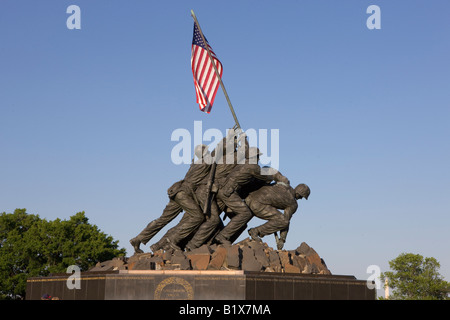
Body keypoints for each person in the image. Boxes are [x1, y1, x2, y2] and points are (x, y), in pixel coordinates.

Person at [129, 144, 211, 254]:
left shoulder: (195, 163)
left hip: (177, 191)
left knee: (163, 219)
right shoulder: (206, 162)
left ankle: (138, 239)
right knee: (198, 217)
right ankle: (172, 239)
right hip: (184, 194)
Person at [213, 147, 290, 246]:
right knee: (246, 214)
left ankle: (220, 242)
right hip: (229, 192)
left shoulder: (243, 164)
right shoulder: (253, 167)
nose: (259, 159)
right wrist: (279, 179)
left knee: (240, 223)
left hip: (224, 190)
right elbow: (267, 177)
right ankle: (222, 236)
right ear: (255, 157)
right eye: (258, 157)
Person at [246, 183, 310, 250]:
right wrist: (282, 239)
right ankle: (256, 231)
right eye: (301, 197)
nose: (300, 199)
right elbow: (286, 221)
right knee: (283, 221)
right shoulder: (293, 203)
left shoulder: (284, 185)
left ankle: (259, 231)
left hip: (249, 197)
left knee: (278, 217)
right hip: (258, 204)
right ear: (299, 194)